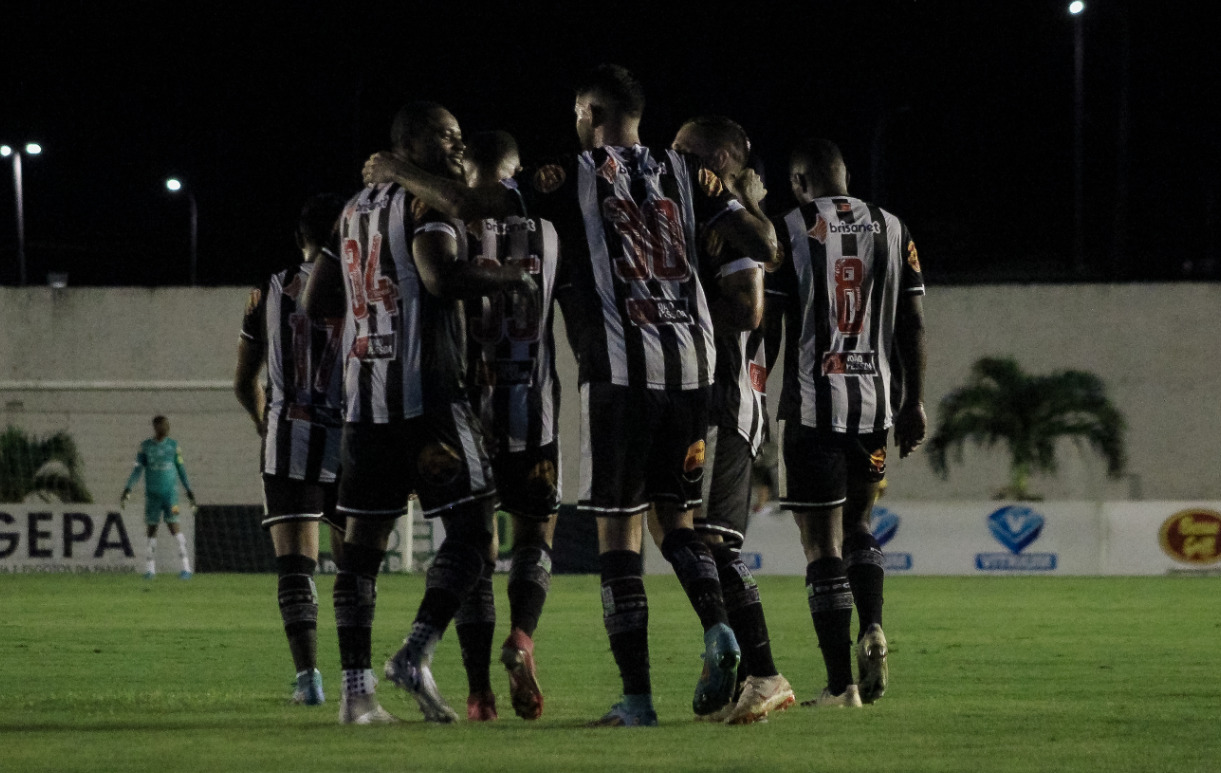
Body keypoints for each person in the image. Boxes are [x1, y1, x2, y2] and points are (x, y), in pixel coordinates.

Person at [363, 64, 777, 726]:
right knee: (677, 520)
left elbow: (474, 207)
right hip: (693, 371)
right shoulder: (688, 174)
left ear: (589, 112)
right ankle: (717, 628)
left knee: (618, 534)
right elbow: (765, 245)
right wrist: (729, 198)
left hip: (618, 370)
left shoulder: (568, 174)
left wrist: (395, 171)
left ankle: (637, 699)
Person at [302, 101, 537, 725]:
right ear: (411, 144)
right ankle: (416, 651)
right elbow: (439, 276)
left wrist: (369, 310)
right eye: (448, 136)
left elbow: (314, 298)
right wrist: (505, 276)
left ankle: (356, 695)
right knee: (474, 534)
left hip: (365, 401)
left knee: (363, 549)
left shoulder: (352, 211)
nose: (459, 147)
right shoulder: (424, 201)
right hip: (427, 396)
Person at [767, 138, 927, 708]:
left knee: (820, 545)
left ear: (798, 181)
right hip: (875, 410)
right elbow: (912, 322)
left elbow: (771, 326)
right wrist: (914, 402)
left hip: (812, 409)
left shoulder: (787, 228)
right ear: (846, 175)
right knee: (860, 523)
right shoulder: (893, 226)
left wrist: (754, 392)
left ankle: (841, 685)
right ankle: (875, 625)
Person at [668, 115, 794, 724]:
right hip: (704, 398)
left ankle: (764, 671)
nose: (672, 158)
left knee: (710, 540)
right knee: (696, 538)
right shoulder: (712, 217)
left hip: (724, 397)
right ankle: (750, 671)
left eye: (683, 151)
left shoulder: (736, 218)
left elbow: (747, 311)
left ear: (714, 159)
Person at [450, 130, 562, 722]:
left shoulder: (450, 234)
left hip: (468, 415)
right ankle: (521, 637)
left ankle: (478, 696)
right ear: (516, 173)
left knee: (474, 546)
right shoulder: (547, 234)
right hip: (534, 410)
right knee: (534, 536)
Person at [233, 192, 348, 707]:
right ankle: (357, 675)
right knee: (354, 568)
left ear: (299, 238)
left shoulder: (269, 291)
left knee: (296, 566)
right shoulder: (366, 287)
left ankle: (308, 681)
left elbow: (243, 381)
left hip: (290, 435)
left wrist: (265, 423)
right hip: (352, 438)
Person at [121, 415, 195, 580]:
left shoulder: (174, 447)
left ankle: (186, 568)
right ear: (155, 428)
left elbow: (181, 470)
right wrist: (128, 488)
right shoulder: (146, 447)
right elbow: (137, 470)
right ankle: (150, 570)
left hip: (170, 496)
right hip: (153, 496)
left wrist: (189, 490)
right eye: (161, 426)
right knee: (151, 529)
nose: (163, 429)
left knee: (174, 527)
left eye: (165, 426)